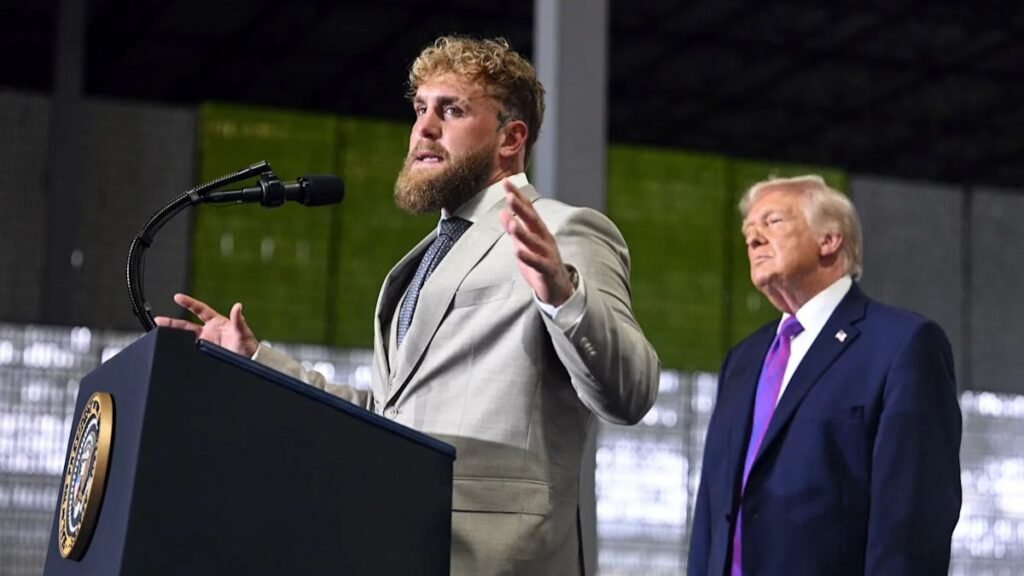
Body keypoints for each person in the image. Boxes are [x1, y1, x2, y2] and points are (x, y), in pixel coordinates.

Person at [156, 36, 659, 575]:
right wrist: (257, 359)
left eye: (452, 110)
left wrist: (562, 295)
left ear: (511, 137)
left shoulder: (562, 230)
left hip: (497, 561)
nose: (424, 128)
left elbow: (630, 393)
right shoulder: (422, 261)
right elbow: (387, 419)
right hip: (399, 544)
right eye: (420, 109)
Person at [686, 174, 962, 575]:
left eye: (772, 222)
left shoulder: (902, 345)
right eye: (748, 231)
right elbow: (711, 516)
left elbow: (913, 521)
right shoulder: (742, 361)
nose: (754, 239)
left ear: (829, 240)